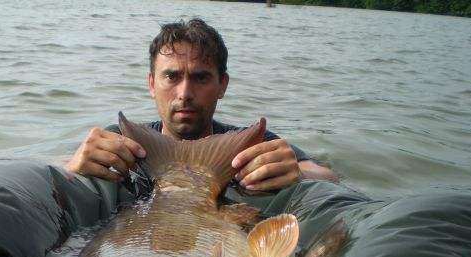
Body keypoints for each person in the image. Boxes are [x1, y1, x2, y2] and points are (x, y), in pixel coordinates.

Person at [64, 18, 337, 193]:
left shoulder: (253, 145)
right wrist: (72, 166)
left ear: (223, 85)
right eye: (172, 76)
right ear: (151, 84)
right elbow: (56, 165)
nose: (184, 93)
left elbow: (325, 175)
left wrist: (298, 175)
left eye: (200, 77)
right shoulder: (122, 142)